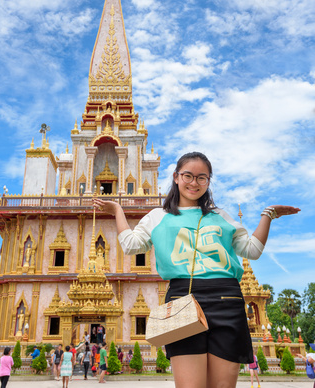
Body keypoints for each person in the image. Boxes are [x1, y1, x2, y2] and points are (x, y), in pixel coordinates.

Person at [94, 151, 300, 388]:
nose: (194, 183)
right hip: (183, 299)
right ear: (176, 177)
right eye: (188, 176)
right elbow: (131, 245)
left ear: (208, 181)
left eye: (202, 178)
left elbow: (251, 250)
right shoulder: (157, 217)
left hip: (227, 299)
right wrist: (118, 211)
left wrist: (268, 215)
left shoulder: (220, 216)